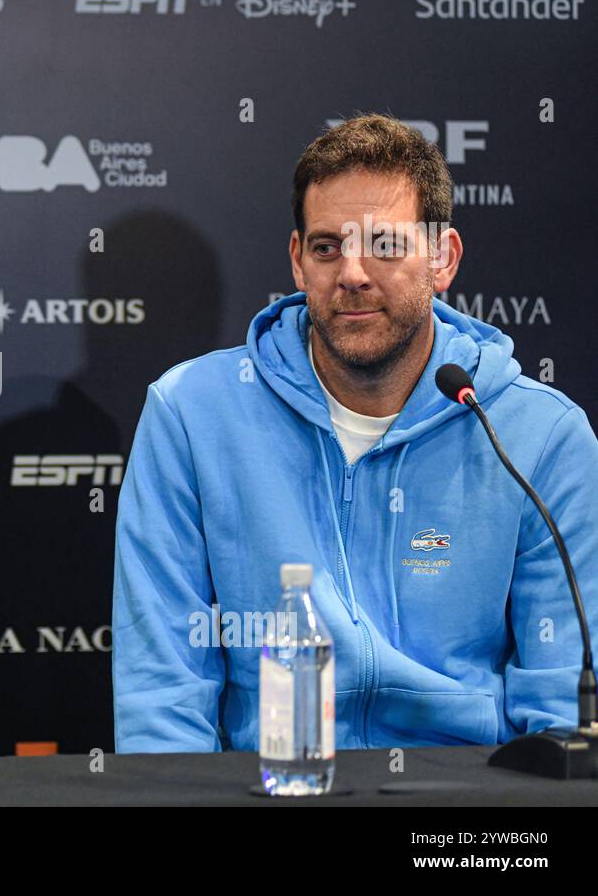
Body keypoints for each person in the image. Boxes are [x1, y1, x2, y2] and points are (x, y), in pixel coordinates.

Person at [113, 113, 598, 753]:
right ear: (297, 260)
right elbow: (162, 694)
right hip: (268, 791)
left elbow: (565, 711)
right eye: (326, 247)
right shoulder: (191, 414)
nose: (352, 273)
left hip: (463, 813)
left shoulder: (542, 435)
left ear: (442, 259)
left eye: (385, 245)